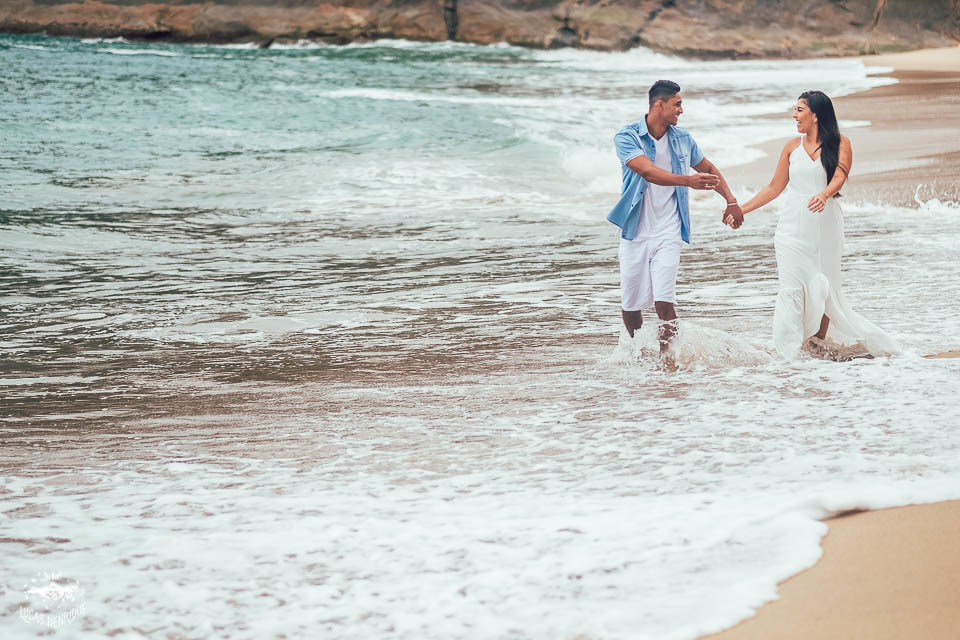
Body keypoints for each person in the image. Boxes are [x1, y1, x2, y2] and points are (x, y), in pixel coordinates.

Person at [729, 90, 900, 360]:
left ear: (816, 115)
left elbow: (840, 176)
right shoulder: (790, 147)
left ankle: (816, 346)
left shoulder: (842, 143)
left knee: (823, 283)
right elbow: (774, 187)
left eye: (799, 110)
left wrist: (824, 194)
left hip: (825, 222)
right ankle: (787, 352)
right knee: (790, 285)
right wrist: (741, 209)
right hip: (791, 225)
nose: (794, 115)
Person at [608, 80, 743, 363]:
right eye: (677, 104)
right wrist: (688, 181)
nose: (681, 110)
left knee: (664, 301)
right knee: (630, 304)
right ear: (660, 105)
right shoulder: (627, 136)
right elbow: (648, 172)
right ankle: (637, 356)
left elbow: (707, 168)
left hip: (670, 229)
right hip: (635, 231)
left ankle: (668, 360)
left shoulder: (682, 138)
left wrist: (730, 200)